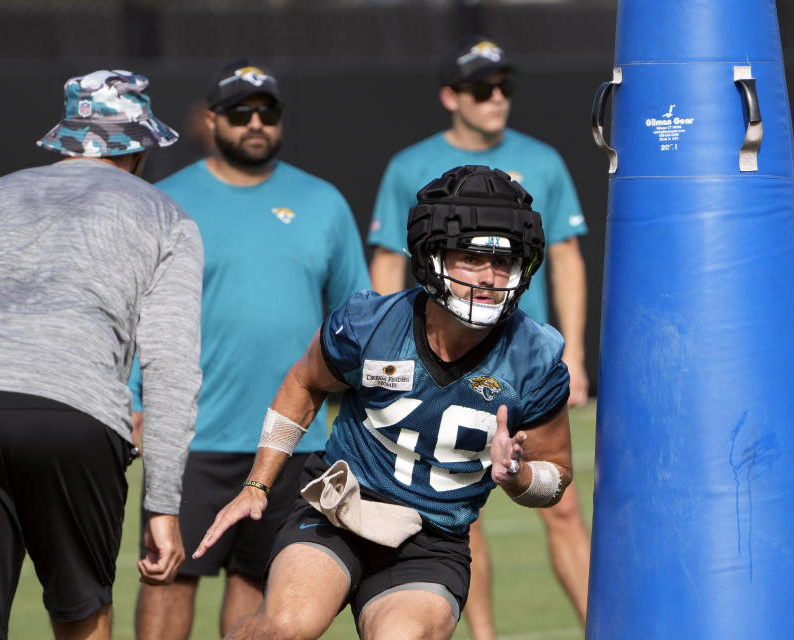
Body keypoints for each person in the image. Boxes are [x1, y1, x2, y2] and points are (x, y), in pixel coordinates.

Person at [0, 69, 203, 640]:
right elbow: (169, 363)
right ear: (141, 145)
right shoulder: (167, 216)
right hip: (74, 412)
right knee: (81, 615)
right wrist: (163, 506)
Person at [195, 165, 576, 640]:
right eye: (472, 257)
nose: (489, 277)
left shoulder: (535, 359)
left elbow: (556, 473)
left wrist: (517, 476)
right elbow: (303, 383)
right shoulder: (369, 325)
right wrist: (258, 483)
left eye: (503, 262)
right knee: (286, 626)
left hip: (431, 540)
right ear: (432, 254)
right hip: (339, 507)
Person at [132, 59, 370, 640]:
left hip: (292, 436)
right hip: (190, 433)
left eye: (268, 111)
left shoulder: (322, 203)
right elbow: (134, 311)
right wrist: (133, 400)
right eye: (241, 113)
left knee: (261, 583)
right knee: (169, 575)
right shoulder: (163, 201)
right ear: (212, 120)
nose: (256, 123)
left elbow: (356, 321)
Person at [367, 35, 591, 633]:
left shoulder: (541, 159)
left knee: (563, 507)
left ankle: (605, 627)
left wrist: (579, 354)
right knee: (461, 515)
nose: (497, 98)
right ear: (450, 96)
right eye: (480, 88)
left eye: (504, 86)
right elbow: (389, 265)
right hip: (439, 365)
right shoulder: (409, 165)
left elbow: (566, 257)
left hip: (519, 368)